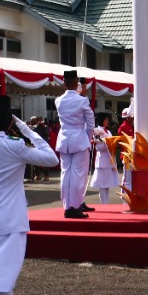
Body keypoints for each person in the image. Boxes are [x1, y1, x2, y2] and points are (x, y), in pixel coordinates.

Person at [0, 94, 60, 295]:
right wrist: (27, 130)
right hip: (10, 221)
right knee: (3, 283)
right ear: (10, 122)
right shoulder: (16, 145)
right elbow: (52, 158)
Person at [54, 70, 94, 219]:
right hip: (79, 138)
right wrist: (87, 138)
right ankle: (75, 206)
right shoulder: (82, 100)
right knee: (78, 175)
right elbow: (90, 124)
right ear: (77, 82)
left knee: (65, 174)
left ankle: (67, 206)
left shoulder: (58, 101)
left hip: (64, 138)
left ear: (63, 83)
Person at [89, 112, 119, 205]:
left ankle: (107, 203)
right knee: (102, 184)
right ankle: (103, 203)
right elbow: (98, 147)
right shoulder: (97, 130)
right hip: (102, 159)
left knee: (107, 183)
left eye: (107, 119)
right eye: (105, 119)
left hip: (109, 158)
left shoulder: (108, 131)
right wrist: (107, 144)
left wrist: (113, 144)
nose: (107, 121)